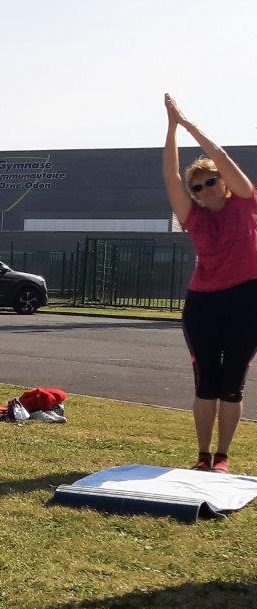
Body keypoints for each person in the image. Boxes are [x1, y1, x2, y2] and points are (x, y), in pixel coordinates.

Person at [162, 93, 257, 473]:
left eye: (209, 182)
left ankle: (222, 457)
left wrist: (187, 124)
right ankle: (202, 456)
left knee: (232, 381)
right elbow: (170, 176)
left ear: (224, 183)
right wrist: (170, 129)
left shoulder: (246, 200)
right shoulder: (193, 216)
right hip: (203, 302)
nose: (203, 191)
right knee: (206, 382)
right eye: (196, 188)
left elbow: (219, 155)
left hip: (247, 299)